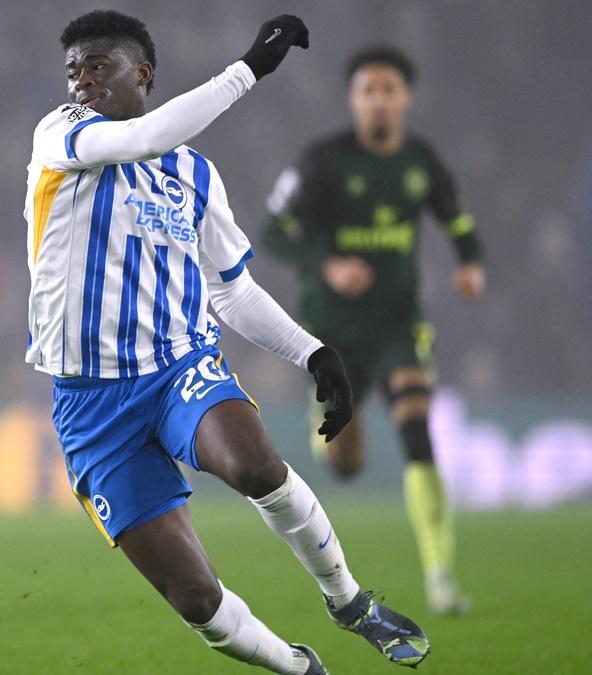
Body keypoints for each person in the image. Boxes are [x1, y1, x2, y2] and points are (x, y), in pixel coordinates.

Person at [24, 11, 430, 673]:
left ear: (142, 73)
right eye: (74, 70)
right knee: (194, 596)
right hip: (90, 406)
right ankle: (300, 667)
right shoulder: (62, 135)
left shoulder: (195, 178)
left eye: (99, 67)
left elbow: (232, 290)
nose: (82, 82)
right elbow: (147, 134)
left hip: (176, 368)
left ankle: (349, 600)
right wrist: (250, 69)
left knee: (253, 463)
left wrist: (314, 352)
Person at [262, 46, 484, 615]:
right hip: (330, 334)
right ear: (353, 100)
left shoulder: (420, 162)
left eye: (389, 90)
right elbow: (272, 232)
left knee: (416, 424)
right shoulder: (322, 161)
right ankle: (330, 433)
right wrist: (328, 262)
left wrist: (469, 262)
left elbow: (458, 222)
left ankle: (441, 576)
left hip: (397, 324)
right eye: (368, 90)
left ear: (405, 99)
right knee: (346, 463)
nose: (378, 100)